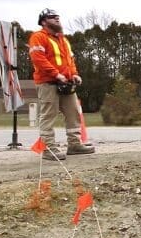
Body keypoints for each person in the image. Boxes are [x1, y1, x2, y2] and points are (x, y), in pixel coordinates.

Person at [28, 8, 94, 160]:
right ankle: (48, 149)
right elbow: (38, 59)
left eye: (57, 16)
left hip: (66, 82)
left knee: (73, 113)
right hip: (47, 83)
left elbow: (70, 60)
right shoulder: (38, 37)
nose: (57, 19)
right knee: (48, 115)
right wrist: (56, 74)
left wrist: (74, 74)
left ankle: (74, 144)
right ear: (43, 22)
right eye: (52, 17)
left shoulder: (63, 39)